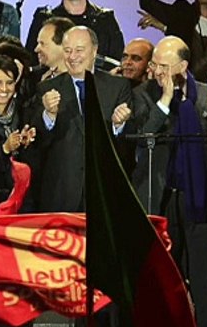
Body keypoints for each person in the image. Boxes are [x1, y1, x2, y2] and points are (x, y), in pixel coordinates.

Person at [128, 36, 207, 327]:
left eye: (164, 67)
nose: (156, 72)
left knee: (202, 272)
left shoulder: (206, 95)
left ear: (183, 67)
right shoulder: (143, 94)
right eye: (154, 65)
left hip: (197, 194)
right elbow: (145, 136)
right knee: (163, 272)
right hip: (160, 193)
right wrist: (165, 100)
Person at [31, 25, 133, 213]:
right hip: (61, 193)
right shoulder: (47, 89)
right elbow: (36, 143)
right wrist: (49, 115)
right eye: (67, 50)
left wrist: (119, 125)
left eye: (79, 50)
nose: (72, 56)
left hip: (104, 192)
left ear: (94, 50)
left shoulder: (118, 87)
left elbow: (128, 145)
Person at [0, 53, 36, 208]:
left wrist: (27, 143)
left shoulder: (25, 110)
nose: (4, 89)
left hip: (25, 200)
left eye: (9, 83)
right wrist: (5, 149)